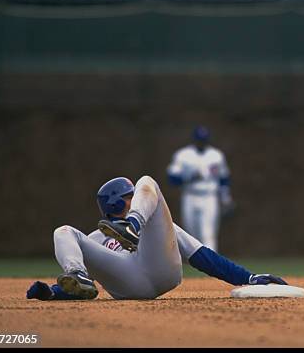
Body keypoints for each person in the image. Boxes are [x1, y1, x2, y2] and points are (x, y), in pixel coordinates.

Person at [26, 176, 285, 301]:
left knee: (147, 184)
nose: (139, 196)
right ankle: (76, 271)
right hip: (129, 281)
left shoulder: (158, 230)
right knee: (64, 231)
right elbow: (83, 291)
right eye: (132, 195)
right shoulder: (94, 238)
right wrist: (52, 292)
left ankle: (132, 226)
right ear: (123, 200)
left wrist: (248, 278)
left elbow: (201, 255)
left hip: (153, 273)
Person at [166, 125, 233, 252]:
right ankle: (198, 266)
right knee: (191, 233)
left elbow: (223, 179)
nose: (201, 143)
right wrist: (188, 178)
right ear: (194, 140)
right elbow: (172, 179)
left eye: (204, 140)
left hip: (209, 197)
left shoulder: (216, 155)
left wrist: (226, 198)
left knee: (208, 234)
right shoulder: (183, 155)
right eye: (199, 140)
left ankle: (213, 267)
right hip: (189, 196)